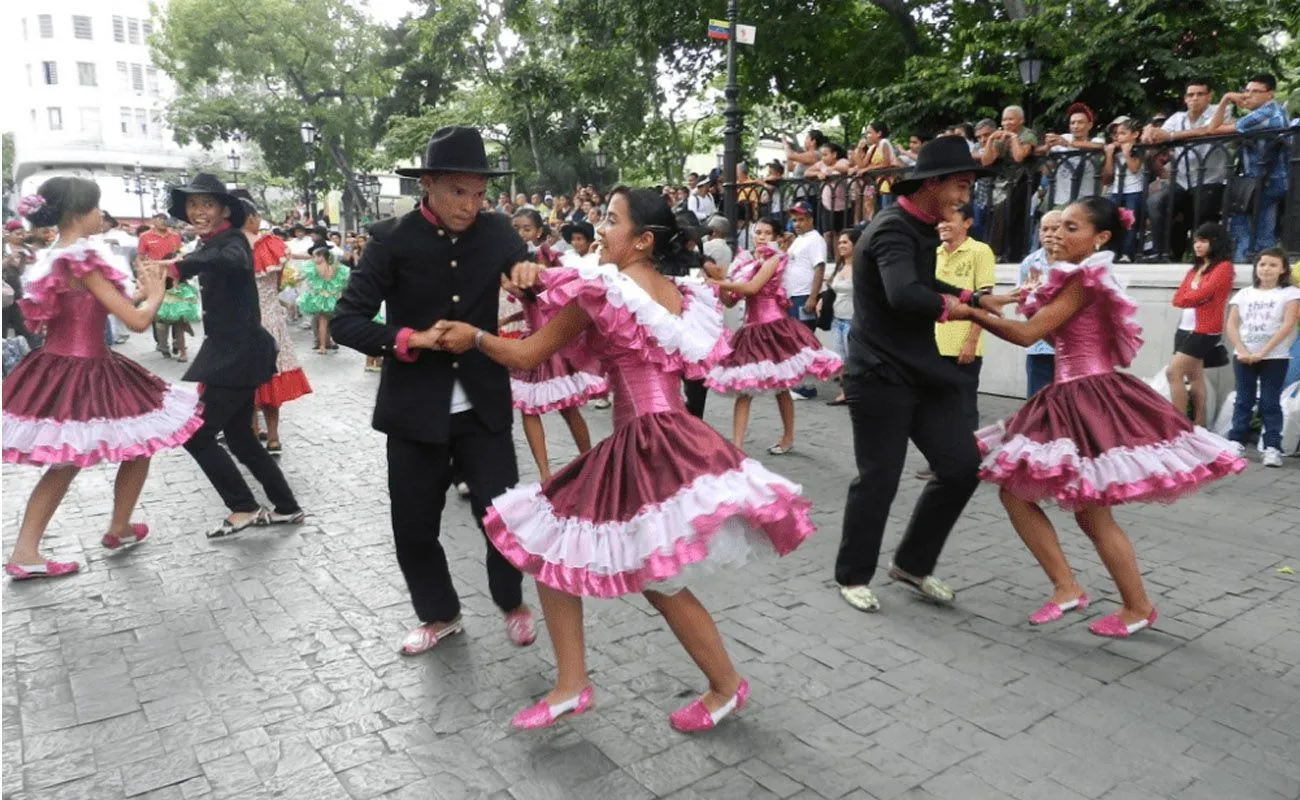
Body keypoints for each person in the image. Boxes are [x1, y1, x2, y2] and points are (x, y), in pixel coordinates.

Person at [430, 187, 814, 731]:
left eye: (610, 221)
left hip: (647, 441)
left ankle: (591, 684)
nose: (598, 227)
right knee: (642, 575)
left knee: (570, 548)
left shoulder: (604, 291)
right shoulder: (680, 294)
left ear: (642, 240)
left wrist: (474, 337)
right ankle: (643, 685)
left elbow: (527, 354)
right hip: (675, 434)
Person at [968, 197, 1245, 637]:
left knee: (1084, 511)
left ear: (1100, 239)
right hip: (1067, 396)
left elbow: (1026, 335)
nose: (1058, 233)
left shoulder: (1084, 281)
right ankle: (1071, 589)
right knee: (1029, 497)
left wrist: (967, 312)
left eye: (1072, 228)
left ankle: (1132, 605)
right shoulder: (1067, 277)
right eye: (1057, 226)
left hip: (1088, 397)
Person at [330, 126, 537, 655]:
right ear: (427, 185)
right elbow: (346, 321)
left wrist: (526, 271)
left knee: (504, 517)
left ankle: (511, 602)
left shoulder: (495, 232)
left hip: (482, 405)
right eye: (456, 192)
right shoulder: (390, 240)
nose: (470, 205)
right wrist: (409, 338)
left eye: (477, 193)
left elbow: (522, 265)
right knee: (414, 525)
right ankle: (439, 614)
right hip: (413, 410)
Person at [2, 179, 203, 578]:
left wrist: (142, 292)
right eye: (96, 209)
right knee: (74, 460)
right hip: (84, 368)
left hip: (59, 366)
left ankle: (117, 528)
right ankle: (36, 549)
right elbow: (138, 322)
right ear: (78, 214)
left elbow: (99, 309)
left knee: (115, 450)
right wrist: (157, 295)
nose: (101, 215)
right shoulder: (83, 262)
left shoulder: (57, 256)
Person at [834, 136, 1002, 614]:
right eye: (962, 183)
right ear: (933, 183)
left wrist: (974, 298)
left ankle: (912, 564)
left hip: (924, 373)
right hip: (879, 375)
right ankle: (852, 575)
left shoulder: (924, 226)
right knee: (879, 478)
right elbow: (904, 294)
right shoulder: (892, 229)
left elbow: (923, 283)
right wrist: (963, 312)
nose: (966, 195)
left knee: (960, 467)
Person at [152, 174, 307, 538]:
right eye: (192, 205)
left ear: (224, 209)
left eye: (207, 204)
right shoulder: (209, 244)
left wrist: (180, 266)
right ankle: (286, 506)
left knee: (197, 436)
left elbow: (231, 260)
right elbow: (196, 266)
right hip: (236, 354)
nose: (198, 211)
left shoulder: (232, 241)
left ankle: (244, 507)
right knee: (238, 435)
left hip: (237, 357)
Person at [705, 216, 842, 454]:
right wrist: (719, 284)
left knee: (782, 387)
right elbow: (730, 301)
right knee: (745, 391)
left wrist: (719, 280)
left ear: (777, 238)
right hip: (751, 329)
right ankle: (737, 446)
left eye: (767, 233)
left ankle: (787, 437)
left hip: (775, 327)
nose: (761, 237)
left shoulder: (775, 259)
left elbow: (752, 288)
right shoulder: (744, 263)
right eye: (758, 232)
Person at [506, 208, 605, 481]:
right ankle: (544, 472)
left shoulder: (546, 258)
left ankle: (588, 458)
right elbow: (528, 303)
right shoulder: (515, 259)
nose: (520, 233)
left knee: (567, 407)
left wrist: (509, 283)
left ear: (539, 231)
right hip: (532, 340)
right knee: (529, 408)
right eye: (515, 228)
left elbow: (545, 298)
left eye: (526, 228)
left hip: (553, 342)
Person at [239, 196, 312, 454]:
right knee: (272, 377)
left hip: (239, 323)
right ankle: (273, 437)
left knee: (245, 381)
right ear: (252, 218)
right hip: (270, 320)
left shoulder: (228, 248)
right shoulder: (271, 245)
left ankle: (251, 428)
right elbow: (278, 283)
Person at [1224, 248, 1299, 467]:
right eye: (1263, 264)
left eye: (1273, 265)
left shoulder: (1290, 294)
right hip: (1244, 356)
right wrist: (1242, 350)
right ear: (1256, 268)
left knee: (1270, 402)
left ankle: (1272, 447)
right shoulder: (1244, 294)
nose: (1267, 269)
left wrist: (1263, 352)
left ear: (1283, 269)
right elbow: (1231, 324)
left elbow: (1287, 325)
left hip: (1274, 358)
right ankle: (1236, 441)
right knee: (1243, 400)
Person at [1167, 222, 1235, 426]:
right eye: (1196, 241)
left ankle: (1177, 423)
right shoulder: (1194, 269)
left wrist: (1189, 298)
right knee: (1194, 376)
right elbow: (1178, 298)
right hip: (1184, 328)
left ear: (1216, 242)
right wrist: (1190, 298)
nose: (1197, 245)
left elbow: (1204, 293)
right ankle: (1199, 422)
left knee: (1173, 372)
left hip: (1205, 330)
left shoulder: (1224, 267)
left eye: (1203, 241)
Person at [1017, 211, 1065, 397]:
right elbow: (1020, 299)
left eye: (1055, 228)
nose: (1049, 234)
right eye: (1045, 229)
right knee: (1038, 404)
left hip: (1068, 349)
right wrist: (1028, 294)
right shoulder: (1030, 263)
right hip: (1038, 347)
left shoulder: (1076, 260)